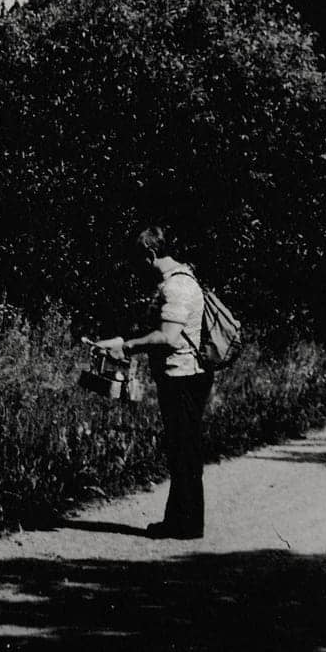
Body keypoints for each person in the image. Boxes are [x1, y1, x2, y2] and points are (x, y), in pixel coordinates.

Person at [94, 224, 211, 540]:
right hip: (183, 375)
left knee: (184, 449)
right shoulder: (177, 282)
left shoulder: (177, 288)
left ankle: (187, 524)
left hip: (183, 376)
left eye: (139, 261)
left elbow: (167, 337)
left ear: (150, 254)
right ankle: (179, 520)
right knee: (180, 448)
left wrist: (128, 346)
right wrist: (117, 341)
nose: (138, 269)